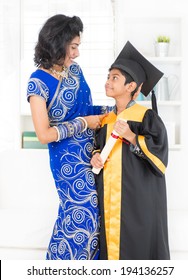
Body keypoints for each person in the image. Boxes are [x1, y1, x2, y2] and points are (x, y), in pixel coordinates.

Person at [26, 14, 108, 260]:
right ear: (57, 43)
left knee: (95, 216)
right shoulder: (37, 83)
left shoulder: (74, 71)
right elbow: (44, 134)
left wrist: (114, 111)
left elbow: (86, 110)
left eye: (77, 47)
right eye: (73, 47)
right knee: (83, 211)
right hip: (67, 162)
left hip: (92, 154)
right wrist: (83, 123)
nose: (76, 53)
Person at [91, 41, 170, 260]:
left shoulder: (146, 118)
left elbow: (160, 157)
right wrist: (96, 156)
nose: (108, 82)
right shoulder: (106, 119)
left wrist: (131, 136)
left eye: (114, 78)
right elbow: (97, 147)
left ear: (131, 86)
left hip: (137, 200)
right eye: (108, 77)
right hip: (109, 199)